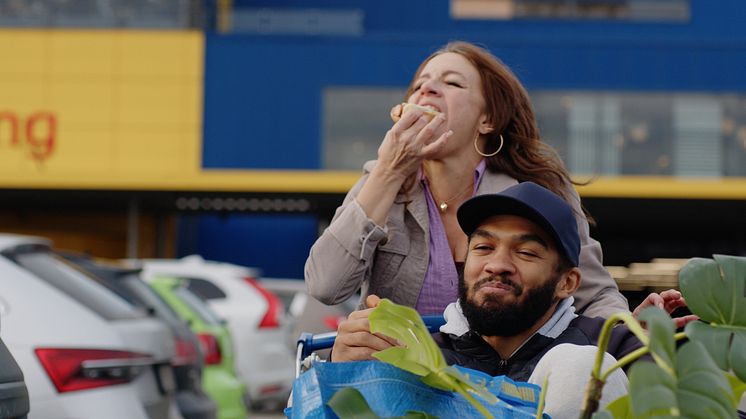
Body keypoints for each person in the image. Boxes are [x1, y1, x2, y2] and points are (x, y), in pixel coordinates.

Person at [305, 40, 627, 318]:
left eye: (453, 83)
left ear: (487, 120)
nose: (427, 89)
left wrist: (629, 329)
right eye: (419, 85)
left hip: (506, 383)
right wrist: (389, 170)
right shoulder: (378, 181)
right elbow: (326, 286)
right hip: (396, 379)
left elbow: (593, 297)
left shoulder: (539, 188)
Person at [331, 182, 642, 418]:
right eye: (483, 248)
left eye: (526, 253)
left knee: (580, 364)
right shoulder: (414, 351)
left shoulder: (614, 345)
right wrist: (342, 374)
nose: (497, 264)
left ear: (566, 282)